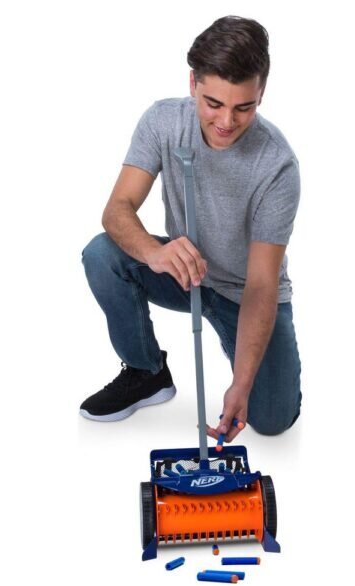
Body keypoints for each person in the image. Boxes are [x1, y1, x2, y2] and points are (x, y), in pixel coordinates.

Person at [80, 15, 302, 444]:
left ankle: (250, 376)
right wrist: (155, 252)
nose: (226, 122)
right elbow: (117, 210)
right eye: (213, 103)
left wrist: (241, 383)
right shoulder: (162, 122)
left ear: (261, 93)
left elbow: (261, 284)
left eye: (244, 107)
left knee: (272, 419)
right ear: (193, 84)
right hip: (186, 273)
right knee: (102, 255)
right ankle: (147, 372)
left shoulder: (277, 166)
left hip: (244, 292)